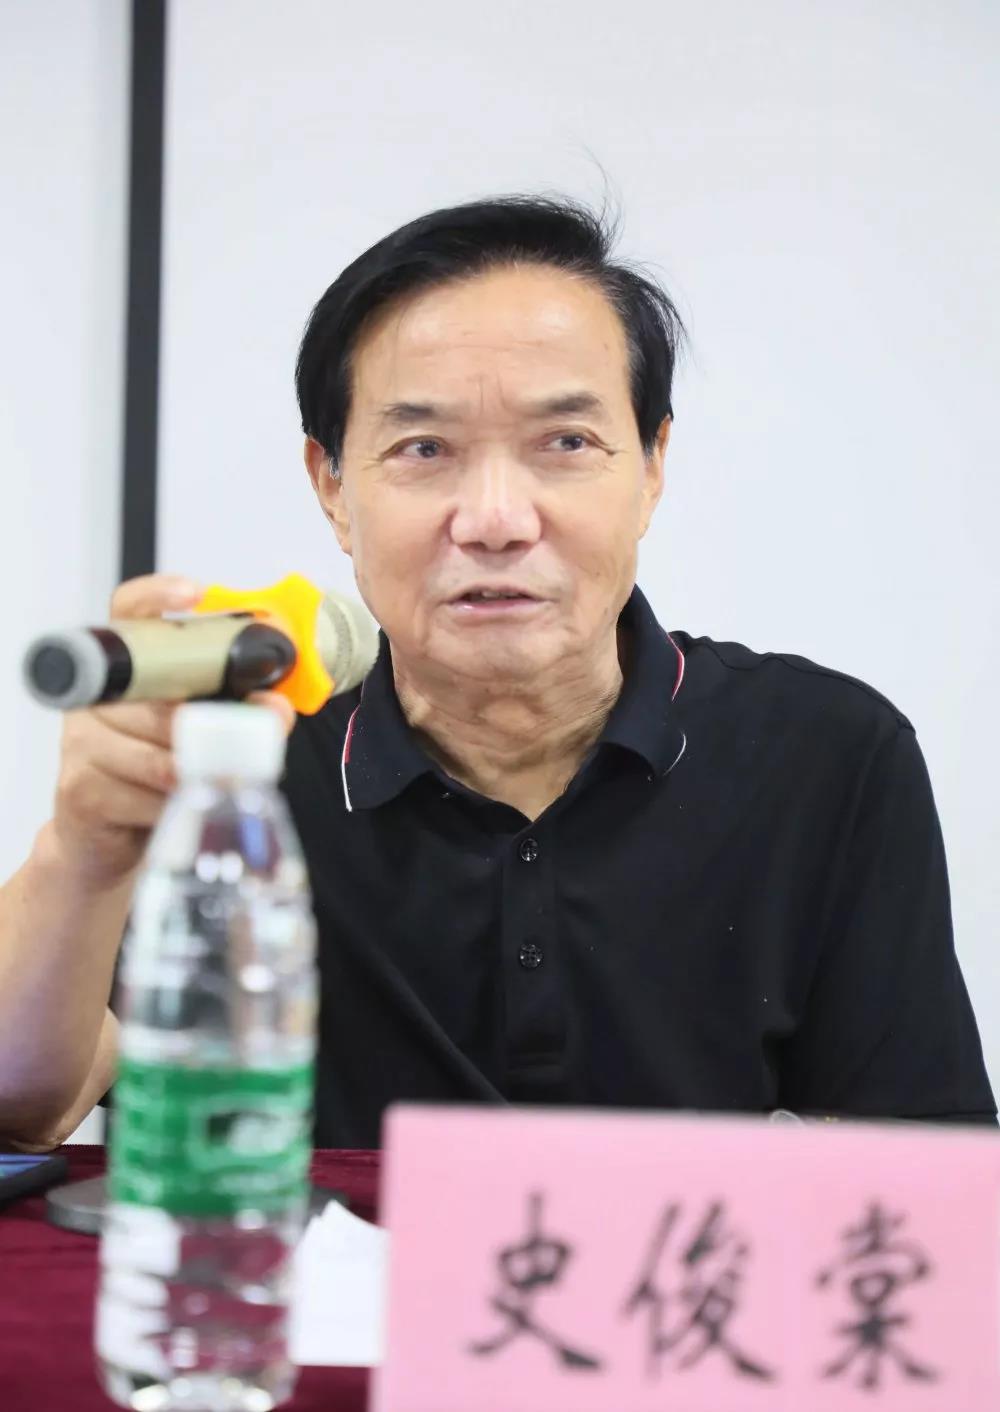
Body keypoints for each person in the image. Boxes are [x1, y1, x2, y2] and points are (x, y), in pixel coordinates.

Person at [0, 195, 994, 1152]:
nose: (495, 520)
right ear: (332, 487)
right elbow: (23, 1108)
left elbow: (919, 1172)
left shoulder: (825, 754)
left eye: (565, 442)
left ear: (651, 466)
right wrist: (80, 853)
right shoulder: (233, 756)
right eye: (424, 447)